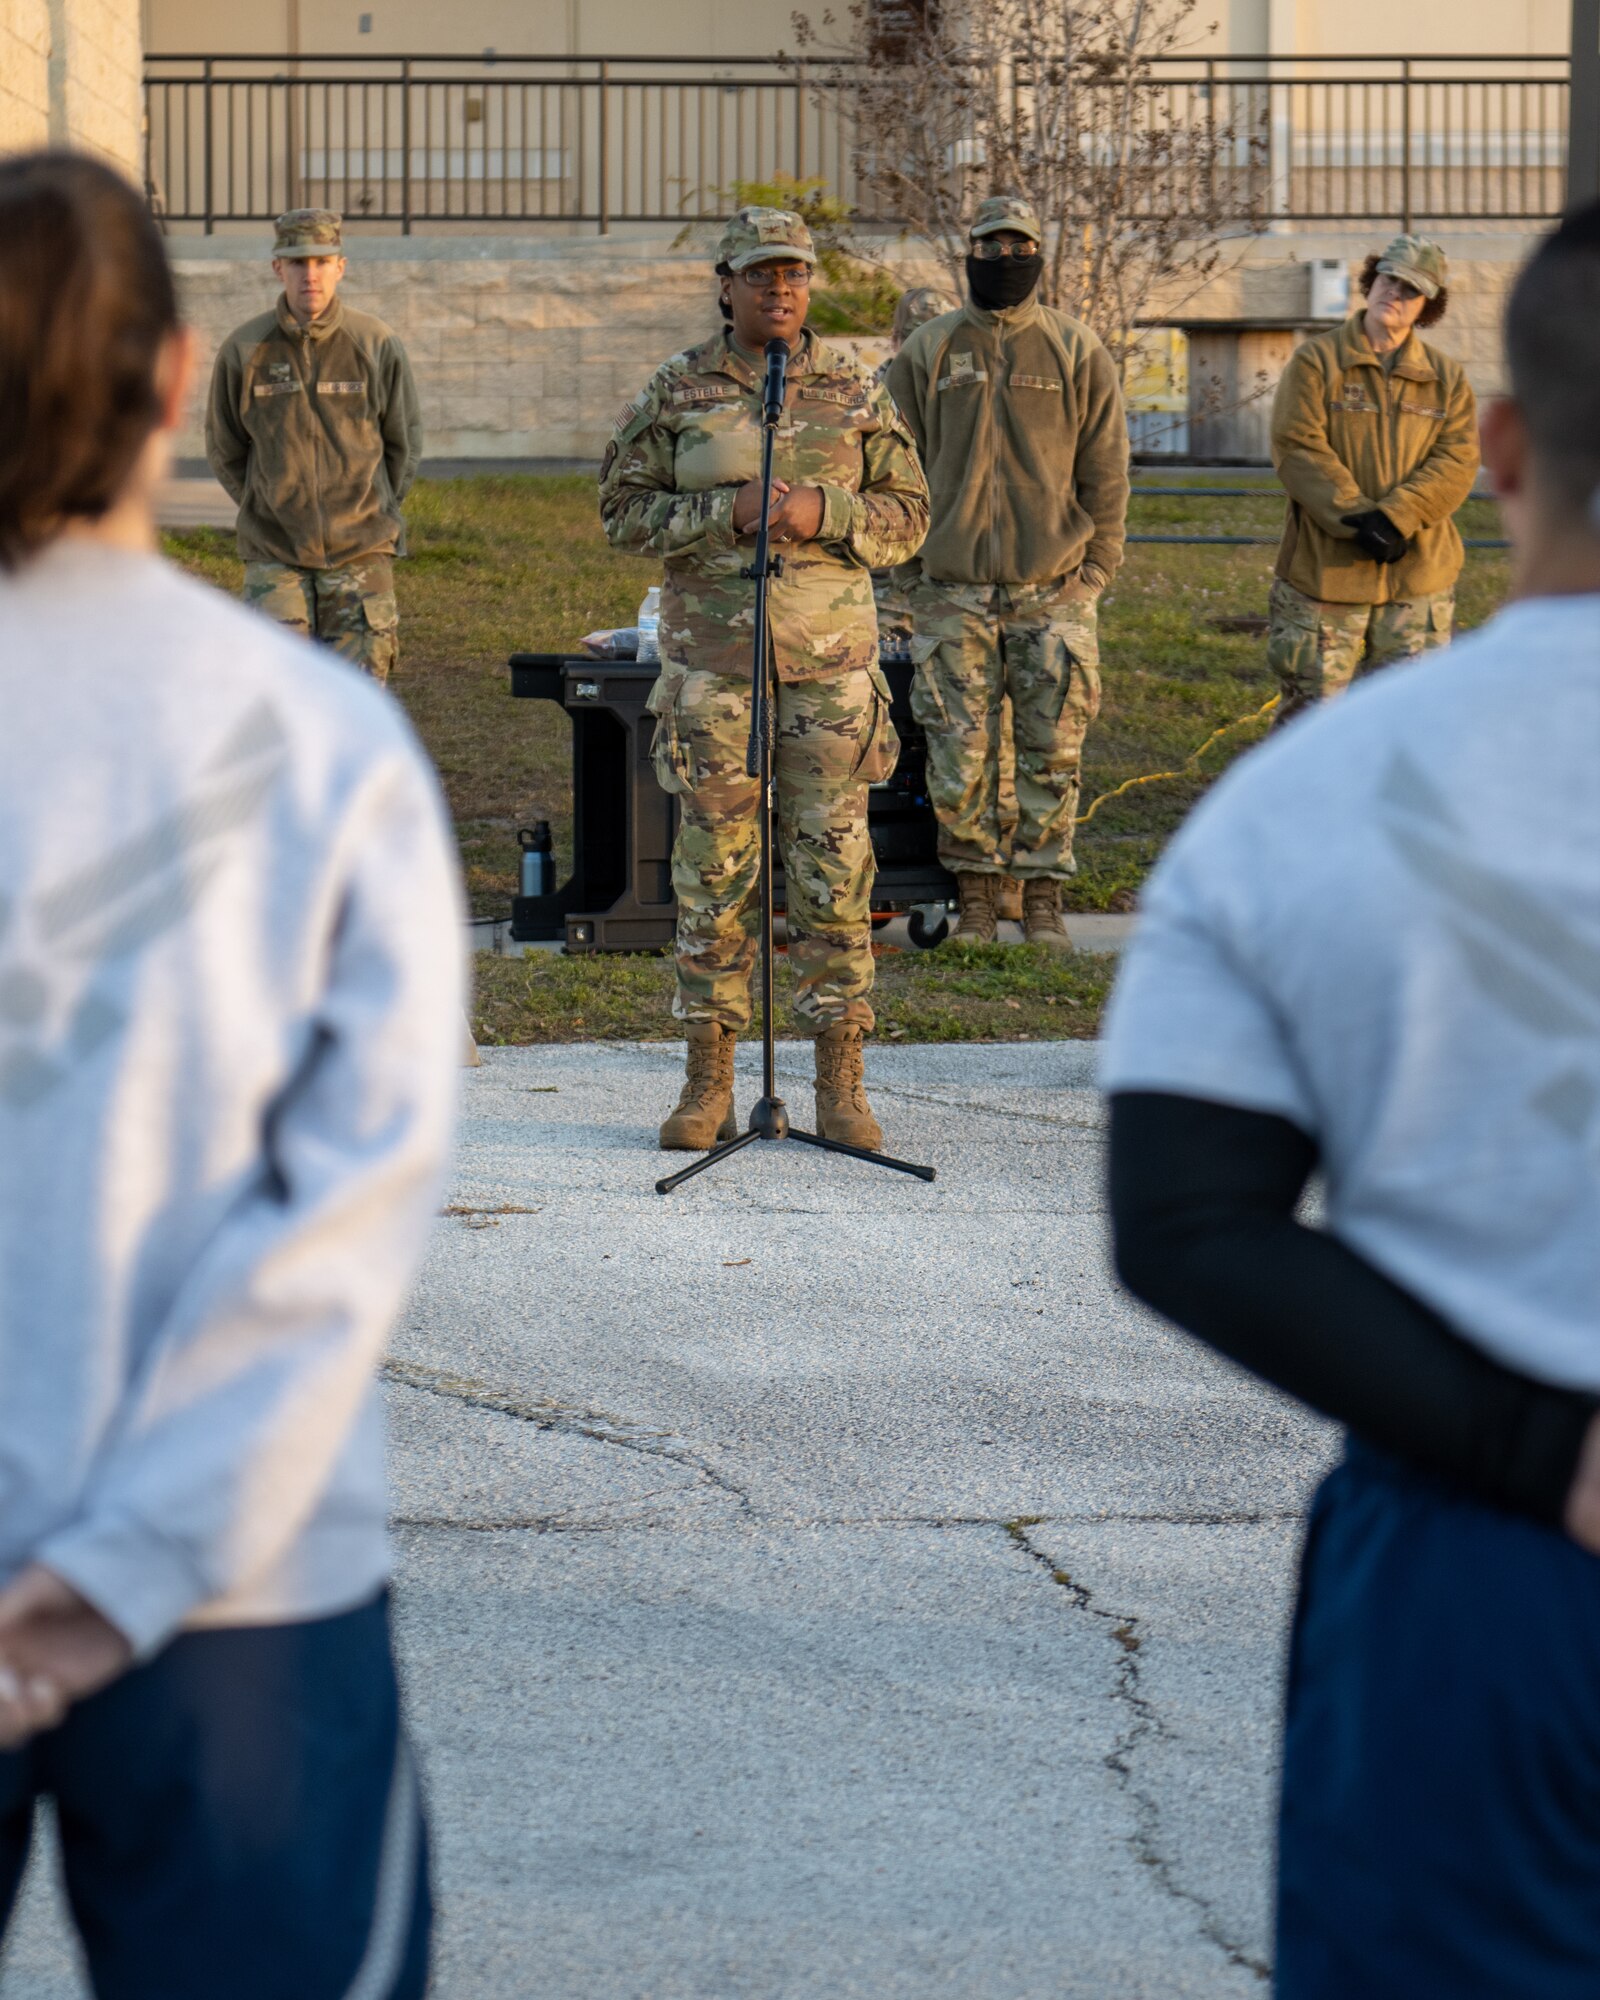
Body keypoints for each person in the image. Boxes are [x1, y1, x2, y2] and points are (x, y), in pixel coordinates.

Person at [1101, 203, 1600, 1996]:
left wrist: (1543, 1453)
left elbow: (1184, 1219)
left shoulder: (1307, 803)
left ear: (1508, 446)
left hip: (1490, 1570)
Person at [0, 152, 464, 1999]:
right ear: (181, 383)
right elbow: (348, 1214)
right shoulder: (318, 739)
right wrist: (126, 1565)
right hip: (237, 1600)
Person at [600, 206, 929, 1155]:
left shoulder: (855, 392)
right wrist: (722, 510)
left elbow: (911, 516)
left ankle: (840, 1079)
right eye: (761, 275)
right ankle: (708, 1076)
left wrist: (823, 510)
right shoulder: (679, 389)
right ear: (727, 284)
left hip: (829, 674)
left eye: (794, 275)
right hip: (715, 674)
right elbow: (620, 511)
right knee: (715, 875)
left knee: (834, 871)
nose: (779, 290)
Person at [887, 195, 1129, 950]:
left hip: (1051, 592)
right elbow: (892, 468)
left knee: (1052, 750)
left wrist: (1094, 571)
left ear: (1038, 257)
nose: (1005, 261)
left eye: (1018, 248)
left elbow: (1107, 472)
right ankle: (978, 898)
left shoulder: (1074, 348)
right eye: (990, 249)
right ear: (970, 258)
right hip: (950, 592)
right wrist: (907, 583)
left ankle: (1044, 895)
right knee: (959, 752)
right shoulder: (929, 350)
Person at [1267, 234, 1479, 724]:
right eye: (1389, 278)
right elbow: (1296, 445)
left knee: (1408, 723)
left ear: (1428, 305)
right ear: (1371, 280)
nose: (1395, 293)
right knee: (1311, 724)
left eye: (1411, 289)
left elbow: (1459, 458)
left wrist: (1396, 518)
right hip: (1324, 577)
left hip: (1417, 579)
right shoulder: (1316, 361)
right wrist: (1358, 518)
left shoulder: (1447, 378)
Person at [206, 207, 421, 683]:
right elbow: (225, 448)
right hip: (275, 554)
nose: (311, 275)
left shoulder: (376, 343)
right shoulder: (245, 349)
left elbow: (402, 445)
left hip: (360, 553)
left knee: (359, 706)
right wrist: (269, 503)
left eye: (322, 261)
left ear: (341, 266)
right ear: (277, 268)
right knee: (282, 703)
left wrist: (373, 508)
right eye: (298, 262)